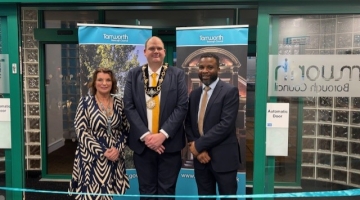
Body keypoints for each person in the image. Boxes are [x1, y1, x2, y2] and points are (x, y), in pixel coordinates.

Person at [123, 36, 188, 200]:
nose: (156, 51)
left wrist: (162, 135)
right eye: (152, 48)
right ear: (145, 52)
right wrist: (147, 136)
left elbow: (182, 106)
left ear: (164, 52)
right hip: (143, 146)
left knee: (167, 191)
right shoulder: (133, 74)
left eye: (159, 48)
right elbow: (129, 106)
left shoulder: (177, 74)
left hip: (169, 145)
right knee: (146, 191)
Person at [185, 53, 240, 200]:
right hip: (201, 160)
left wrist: (198, 146)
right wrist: (197, 149)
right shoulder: (194, 94)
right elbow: (189, 123)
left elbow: (225, 125)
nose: (205, 70)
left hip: (224, 159)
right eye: (201, 67)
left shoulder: (229, 91)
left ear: (218, 69)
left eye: (210, 67)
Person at [69, 68, 129, 200]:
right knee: (90, 196)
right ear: (94, 83)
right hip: (91, 158)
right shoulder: (85, 102)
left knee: (108, 196)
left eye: (108, 80)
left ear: (112, 83)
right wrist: (102, 150)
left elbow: (125, 130)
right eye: (100, 80)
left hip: (113, 156)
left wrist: (117, 149)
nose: (104, 83)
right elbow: (81, 131)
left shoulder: (119, 103)